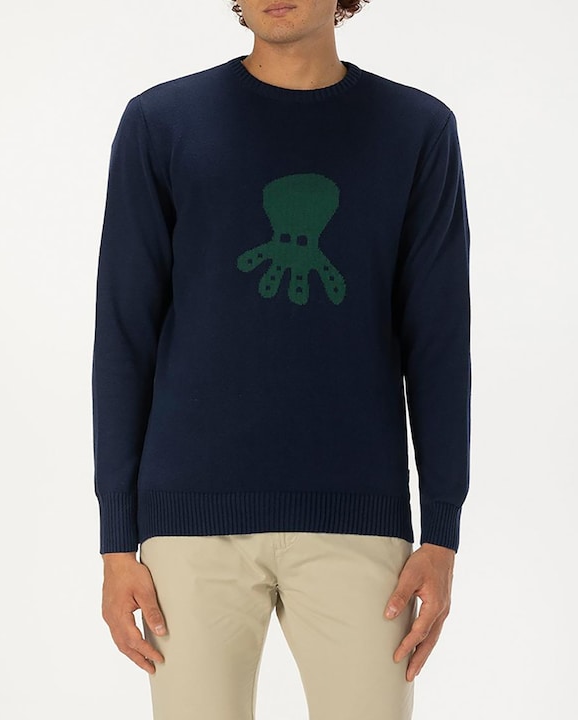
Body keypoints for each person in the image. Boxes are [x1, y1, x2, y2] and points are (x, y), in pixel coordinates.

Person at [92, 1, 471, 718]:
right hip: (188, 525)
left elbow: (440, 340)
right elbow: (123, 333)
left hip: (359, 519)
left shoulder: (417, 129)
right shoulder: (161, 122)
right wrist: (117, 540)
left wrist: (442, 532)